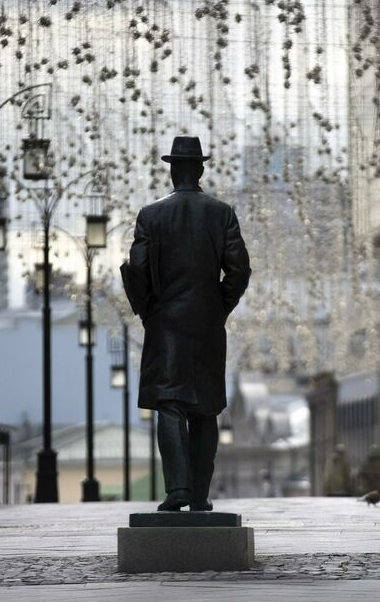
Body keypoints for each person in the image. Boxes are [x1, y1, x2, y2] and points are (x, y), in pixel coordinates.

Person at [122, 136, 252, 511]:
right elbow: (239, 270)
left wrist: (149, 311)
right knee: (205, 408)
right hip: (208, 324)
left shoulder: (151, 215)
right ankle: (199, 495)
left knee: (170, 404)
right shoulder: (221, 213)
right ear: (200, 170)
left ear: (172, 170)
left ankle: (177, 489)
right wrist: (220, 307)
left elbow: (137, 270)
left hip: (165, 324)